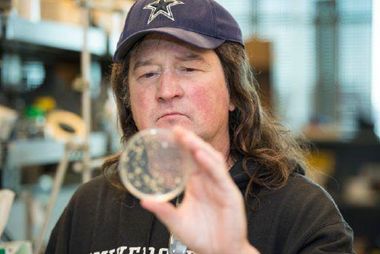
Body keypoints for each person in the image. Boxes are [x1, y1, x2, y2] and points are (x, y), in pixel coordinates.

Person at [46, 0, 354, 253]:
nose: (167, 90)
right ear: (128, 99)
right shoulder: (90, 207)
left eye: (188, 68)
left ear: (234, 90)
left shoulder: (302, 213)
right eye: (148, 73)